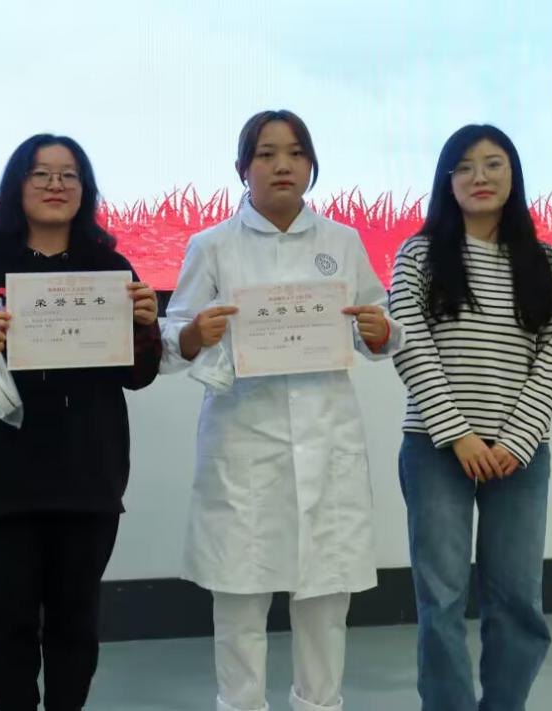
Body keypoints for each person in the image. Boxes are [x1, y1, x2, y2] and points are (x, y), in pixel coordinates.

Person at [161, 109, 403, 711]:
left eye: (295, 153)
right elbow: (170, 340)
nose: (282, 165)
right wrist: (194, 333)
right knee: (239, 601)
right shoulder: (212, 246)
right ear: (242, 168)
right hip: (244, 442)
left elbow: (378, 325)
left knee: (325, 601)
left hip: (327, 440)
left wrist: (379, 331)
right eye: (266, 154)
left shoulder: (342, 242)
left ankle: (319, 704)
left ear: (311, 164)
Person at [0, 133, 161, 710]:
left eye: (69, 175)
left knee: (76, 621)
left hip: (89, 472)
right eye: (41, 174)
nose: (56, 185)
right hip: (3, 474)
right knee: (10, 622)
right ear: (17, 187)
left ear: (85, 189)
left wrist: (145, 324)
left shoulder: (110, 269)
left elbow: (140, 373)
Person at [389, 124, 552, 711]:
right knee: (441, 599)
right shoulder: (418, 255)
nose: (480, 177)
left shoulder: (546, 262)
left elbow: (551, 359)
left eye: (494, 164)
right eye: (464, 167)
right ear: (448, 181)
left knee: (517, 598)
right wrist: (459, 435)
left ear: (513, 175)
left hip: (521, 455)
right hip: (436, 449)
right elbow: (410, 348)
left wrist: (516, 440)